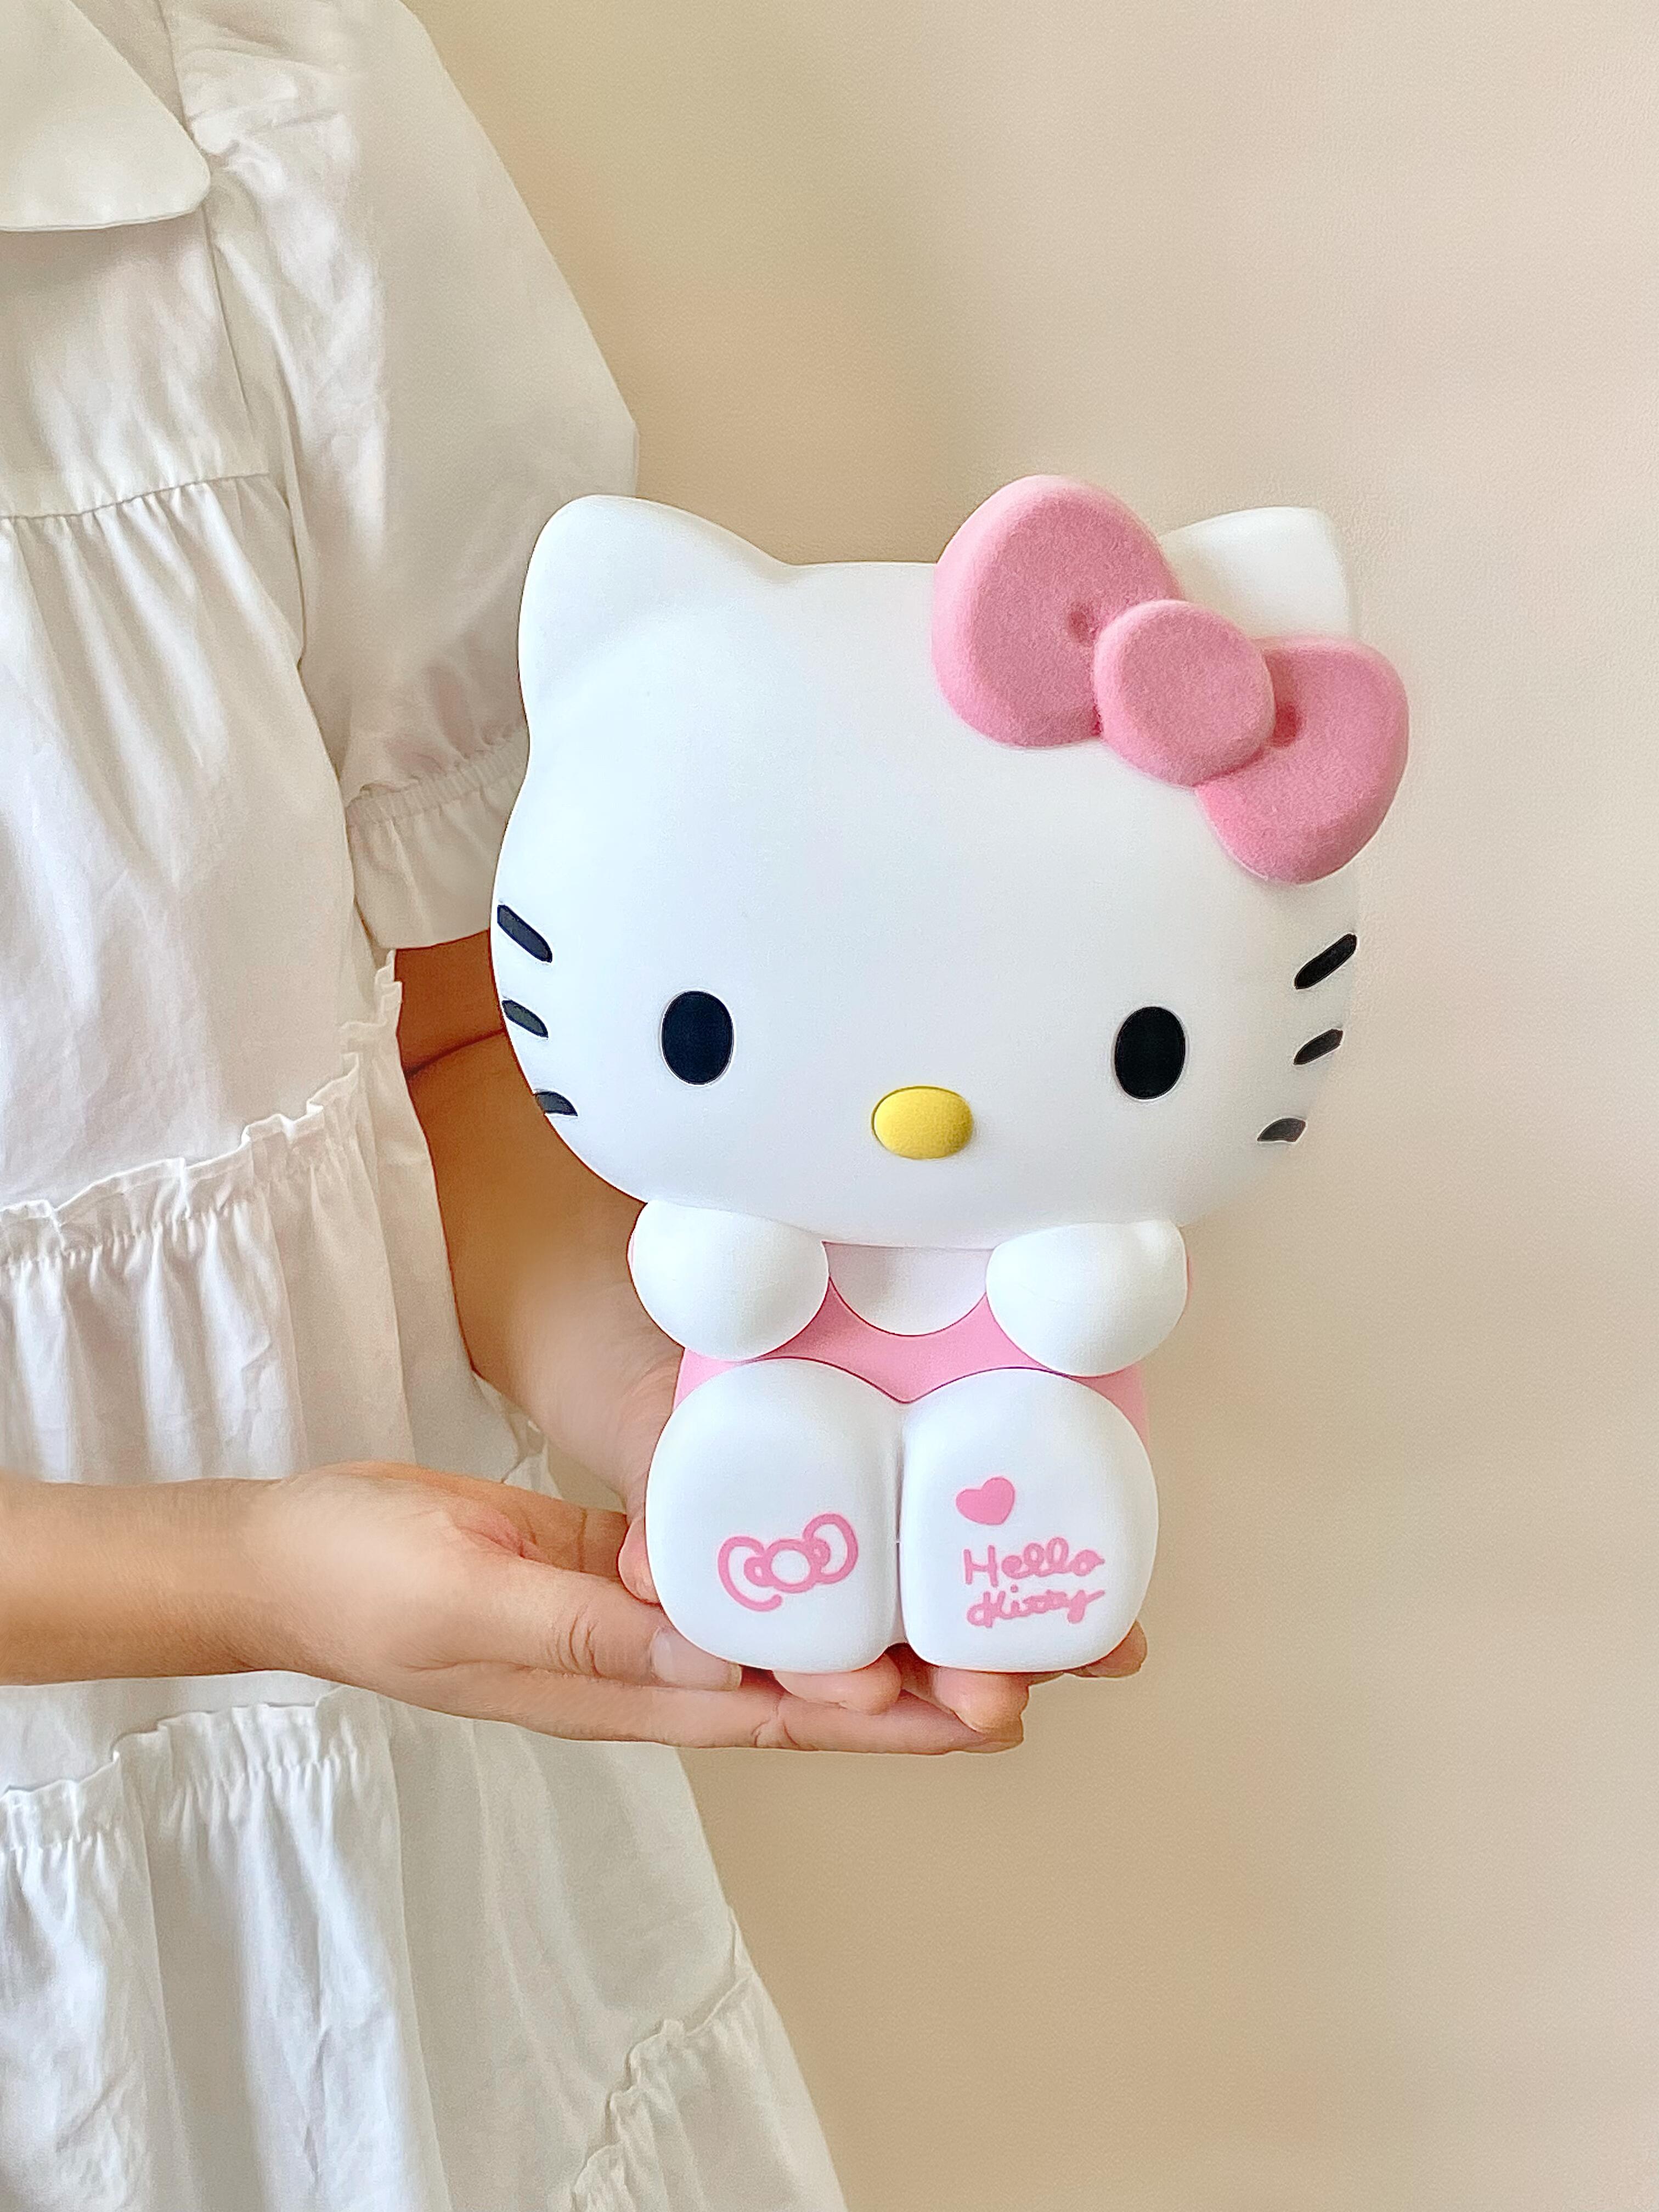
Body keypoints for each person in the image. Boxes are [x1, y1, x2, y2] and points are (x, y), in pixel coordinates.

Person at [0, 3, 1144, 2204]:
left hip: (376, 1908)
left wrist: (694, 1421)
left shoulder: (246, 108)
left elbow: (466, 1044)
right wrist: (239, 1581)